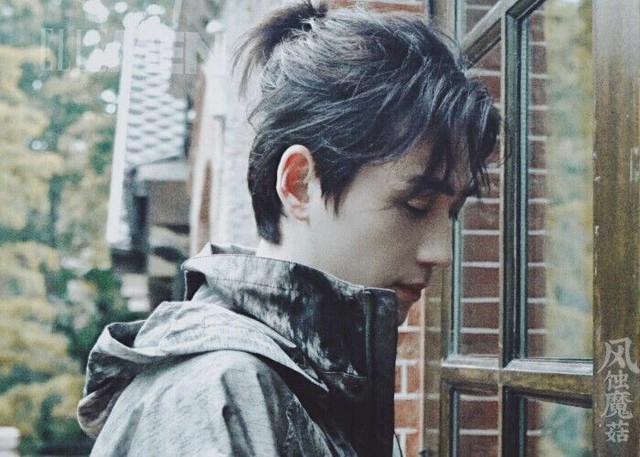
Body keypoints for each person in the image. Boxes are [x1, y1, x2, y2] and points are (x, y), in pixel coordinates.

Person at [77, 1, 500, 456]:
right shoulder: (210, 398)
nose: (442, 253)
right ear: (299, 184)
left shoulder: (321, 381)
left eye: (452, 212)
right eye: (416, 204)